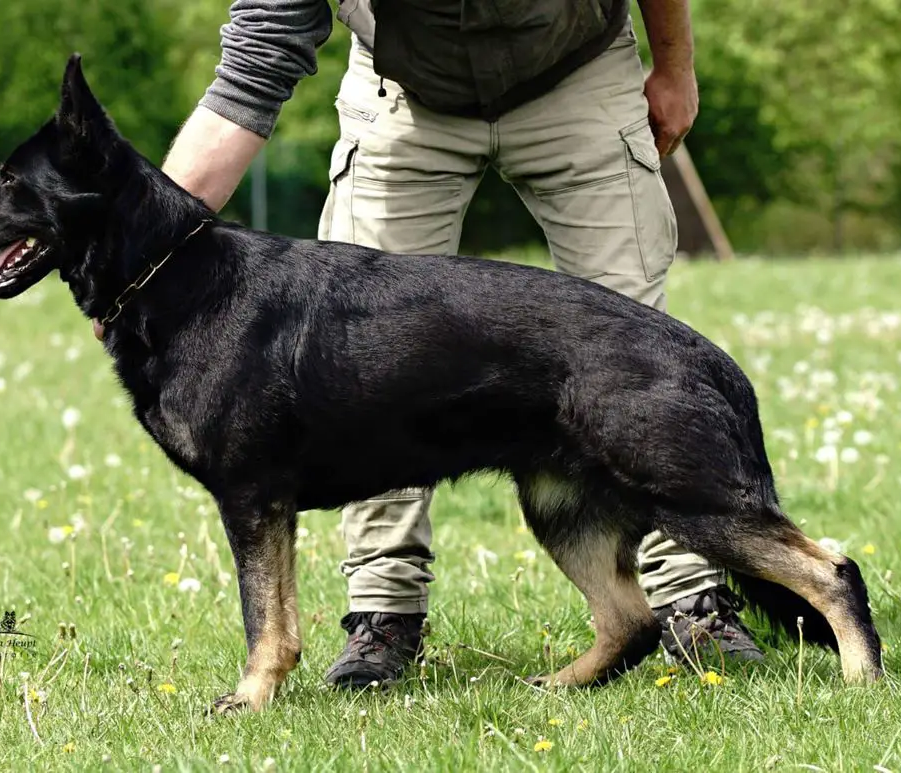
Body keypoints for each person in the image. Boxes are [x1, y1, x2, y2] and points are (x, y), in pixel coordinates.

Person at [154, 0, 764, 689]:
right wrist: (149, 255)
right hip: (406, 92)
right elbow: (256, 59)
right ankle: (384, 614)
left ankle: (691, 600)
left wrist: (675, 68)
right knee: (357, 362)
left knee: (630, 359)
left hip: (576, 73)